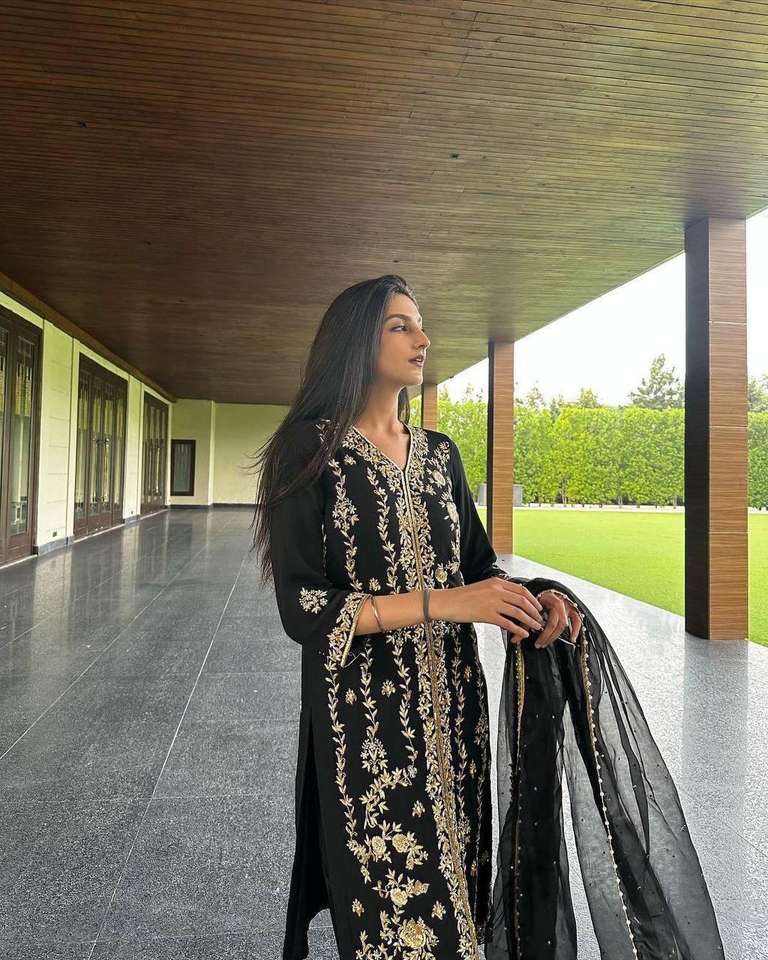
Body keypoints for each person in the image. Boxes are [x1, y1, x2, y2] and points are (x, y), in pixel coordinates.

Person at [250, 275, 725, 960]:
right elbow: (304, 607)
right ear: (354, 341)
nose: (423, 338)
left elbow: (476, 568)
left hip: (458, 716)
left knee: (466, 895)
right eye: (400, 326)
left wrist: (531, 600)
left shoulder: (440, 455)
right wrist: (445, 603)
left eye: (421, 324)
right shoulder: (309, 451)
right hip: (367, 728)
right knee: (397, 913)